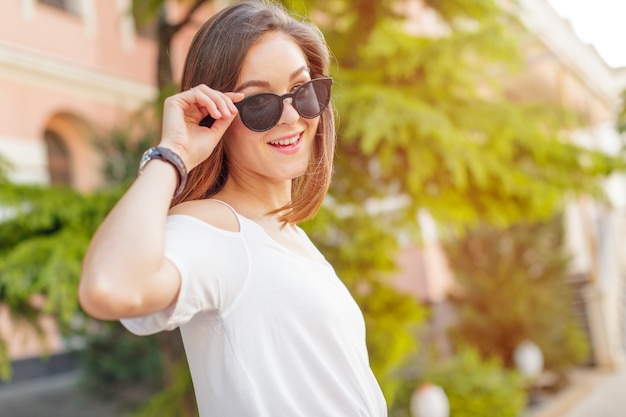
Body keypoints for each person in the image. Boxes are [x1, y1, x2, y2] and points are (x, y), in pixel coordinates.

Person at [78, 1, 387, 416]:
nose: (292, 116)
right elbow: (109, 287)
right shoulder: (217, 232)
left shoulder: (284, 234)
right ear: (214, 116)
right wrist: (173, 153)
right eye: (260, 103)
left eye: (303, 90)